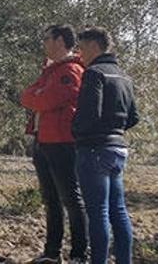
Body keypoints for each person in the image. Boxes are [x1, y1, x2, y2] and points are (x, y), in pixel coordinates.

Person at [21, 25, 88, 264]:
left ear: (60, 41)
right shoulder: (49, 71)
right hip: (43, 140)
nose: (44, 43)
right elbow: (26, 96)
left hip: (61, 142)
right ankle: (52, 252)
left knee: (71, 197)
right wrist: (37, 96)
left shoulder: (70, 70)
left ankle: (79, 254)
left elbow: (47, 99)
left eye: (47, 39)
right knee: (50, 198)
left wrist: (38, 96)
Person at [73, 27, 139, 264]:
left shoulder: (94, 74)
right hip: (118, 148)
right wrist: (115, 130)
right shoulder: (124, 77)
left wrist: (77, 131)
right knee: (118, 210)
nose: (79, 55)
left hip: (94, 149)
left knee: (98, 211)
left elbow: (89, 114)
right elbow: (133, 117)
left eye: (81, 48)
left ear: (93, 45)